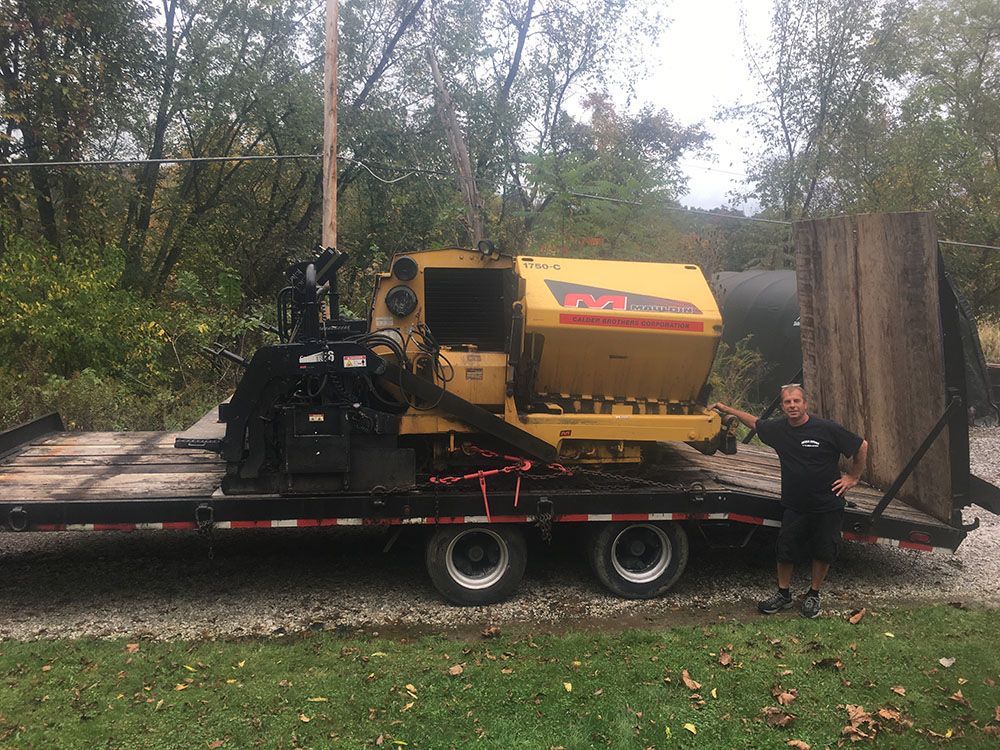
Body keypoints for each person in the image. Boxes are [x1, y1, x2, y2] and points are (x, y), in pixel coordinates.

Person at [710, 385, 868, 619]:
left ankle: (813, 594)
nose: (792, 406)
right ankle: (783, 594)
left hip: (828, 504)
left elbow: (861, 445)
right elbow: (755, 422)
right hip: (795, 505)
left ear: (805, 404)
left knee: (823, 551)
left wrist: (853, 477)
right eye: (787, 402)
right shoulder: (779, 430)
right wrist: (724, 408)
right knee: (785, 550)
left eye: (796, 401)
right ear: (783, 406)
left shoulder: (826, 429)